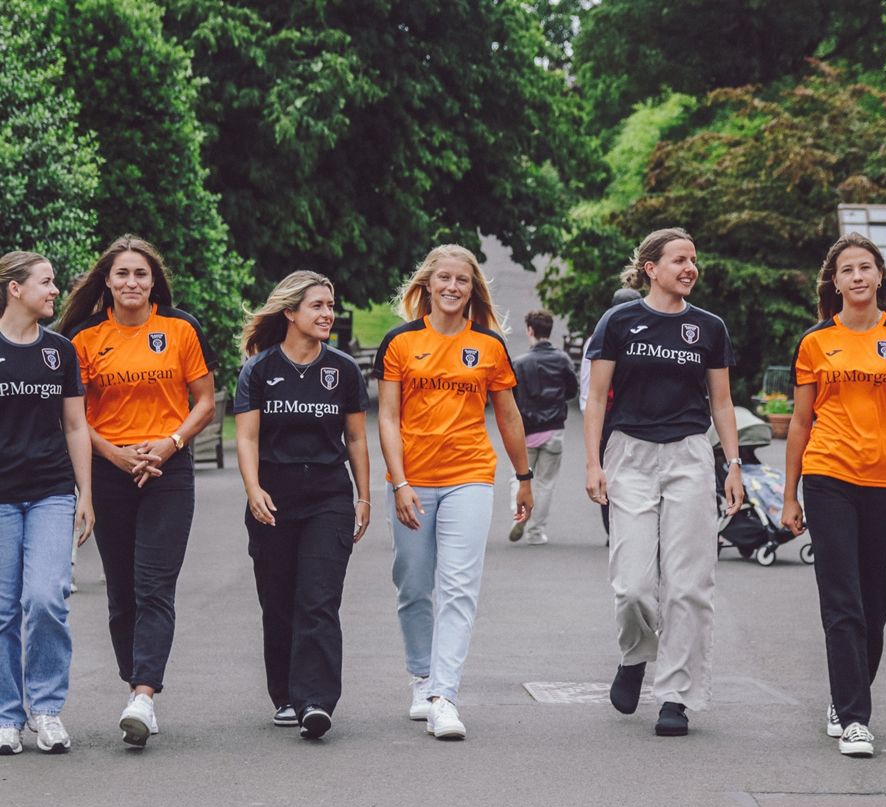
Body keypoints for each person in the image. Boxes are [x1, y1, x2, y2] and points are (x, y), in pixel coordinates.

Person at [781, 232, 886, 759]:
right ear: (835, 282)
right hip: (828, 477)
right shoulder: (815, 342)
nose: (857, 277)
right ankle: (854, 718)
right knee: (842, 599)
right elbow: (800, 423)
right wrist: (788, 495)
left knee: (877, 601)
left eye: (865, 267)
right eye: (847, 270)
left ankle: (848, 694)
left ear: (879, 276)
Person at [583, 227, 743, 738]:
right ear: (651, 268)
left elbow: (721, 402)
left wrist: (733, 464)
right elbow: (596, 397)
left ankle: (676, 694)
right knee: (632, 585)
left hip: (690, 457)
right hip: (628, 454)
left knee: (688, 584)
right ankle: (635, 655)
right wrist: (593, 463)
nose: (690, 268)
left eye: (694, 259)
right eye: (679, 259)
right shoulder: (619, 322)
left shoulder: (710, 328)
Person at [58, 235, 216, 748]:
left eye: (141, 274)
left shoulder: (179, 329)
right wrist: (115, 455)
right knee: (122, 592)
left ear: (154, 281)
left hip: (167, 472)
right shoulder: (83, 340)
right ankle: (135, 686)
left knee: (154, 585)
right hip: (110, 472)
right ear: (107, 279)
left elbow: (206, 402)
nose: (131, 283)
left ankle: (144, 696)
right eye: (122, 274)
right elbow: (74, 417)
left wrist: (168, 445)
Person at [375, 244, 532, 740]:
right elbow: (386, 417)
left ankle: (445, 696)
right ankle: (421, 677)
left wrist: (524, 476)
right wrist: (398, 482)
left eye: (461, 280)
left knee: (460, 588)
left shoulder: (488, 346)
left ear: (473, 289)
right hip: (413, 481)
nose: (452, 287)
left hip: (470, 476)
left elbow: (507, 414)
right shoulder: (399, 342)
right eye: (443, 278)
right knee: (413, 584)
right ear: (426, 285)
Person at [234, 271, 371, 740]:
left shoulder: (344, 369)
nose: (327, 314)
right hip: (273, 496)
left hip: (328, 497)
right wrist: (253, 489)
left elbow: (355, 437)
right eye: (317, 306)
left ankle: (315, 700)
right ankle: (285, 695)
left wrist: (364, 496)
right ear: (290, 312)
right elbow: (247, 437)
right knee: (278, 599)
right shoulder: (259, 369)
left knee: (318, 598)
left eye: (330, 306)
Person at [0, 253, 94, 755]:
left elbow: (76, 426)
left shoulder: (60, 352)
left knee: (46, 599)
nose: (55, 290)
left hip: (52, 493)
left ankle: (47, 710)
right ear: (15, 289)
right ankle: (6, 716)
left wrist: (86, 494)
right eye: (46, 282)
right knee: (1, 611)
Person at [508, 309, 578, 545]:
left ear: (530, 330)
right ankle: (536, 532)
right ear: (549, 331)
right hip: (554, 429)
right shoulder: (563, 360)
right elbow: (572, 390)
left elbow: (511, 398)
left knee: (520, 478)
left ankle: (519, 514)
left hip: (526, 431)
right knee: (546, 483)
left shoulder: (519, 363)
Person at [580, 287, 640, 537]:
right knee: (610, 476)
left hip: (635, 417)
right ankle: (613, 531)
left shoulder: (647, 337)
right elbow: (589, 388)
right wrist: (595, 421)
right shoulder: (600, 337)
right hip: (610, 417)